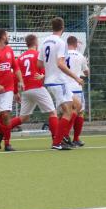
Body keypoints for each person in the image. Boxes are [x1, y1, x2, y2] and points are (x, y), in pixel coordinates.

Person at [38, 17, 84, 150]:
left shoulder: (45, 41)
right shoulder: (61, 42)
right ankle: (57, 142)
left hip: (52, 81)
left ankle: (63, 135)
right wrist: (76, 77)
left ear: (52, 27)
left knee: (78, 105)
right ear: (62, 28)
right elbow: (60, 64)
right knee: (68, 112)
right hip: (59, 81)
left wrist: (46, 72)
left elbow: (39, 63)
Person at [7, 34, 59, 145]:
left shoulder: (20, 58)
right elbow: (46, 70)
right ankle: (56, 141)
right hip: (37, 88)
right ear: (36, 43)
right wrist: (43, 76)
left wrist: (16, 92)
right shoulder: (38, 55)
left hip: (25, 91)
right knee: (53, 113)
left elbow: (15, 75)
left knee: (23, 117)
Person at [65, 36, 89, 146]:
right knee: (79, 112)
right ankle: (75, 138)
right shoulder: (80, 56)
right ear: (76, 44)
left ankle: (62, 136)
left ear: (67, 44)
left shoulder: (62, 55)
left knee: (65, 114)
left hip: (64, 88)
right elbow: (87, 73)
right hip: (76, 88)